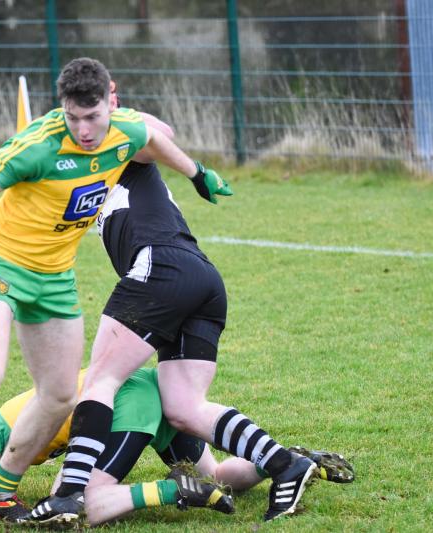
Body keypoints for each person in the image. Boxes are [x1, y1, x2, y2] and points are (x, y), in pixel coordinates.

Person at [0, 57, 232, 532]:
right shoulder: (36, 147)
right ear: (62, 108)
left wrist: (197, 173)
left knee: (59, 395)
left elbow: (155, 139)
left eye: (93, 117)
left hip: (54, 278)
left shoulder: (125, 130)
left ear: (109, 105)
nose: (84, 129)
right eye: (73, 117)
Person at [29, 157, 321, 525]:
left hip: (159, 267)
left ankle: (69, 494)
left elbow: (155, 132)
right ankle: (285, 464)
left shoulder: (121, 146)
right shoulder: (83, 177)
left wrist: (196, 172)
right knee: (184, 407)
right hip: (201, 277)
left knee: (101, 379)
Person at [0, 367, 353, 526]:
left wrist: (1, 499)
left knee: (72, 503)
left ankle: (172, 490)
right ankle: (287, 461)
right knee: (217, 473)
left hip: (129, 401)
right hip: (148, 385)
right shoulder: (9, 422)